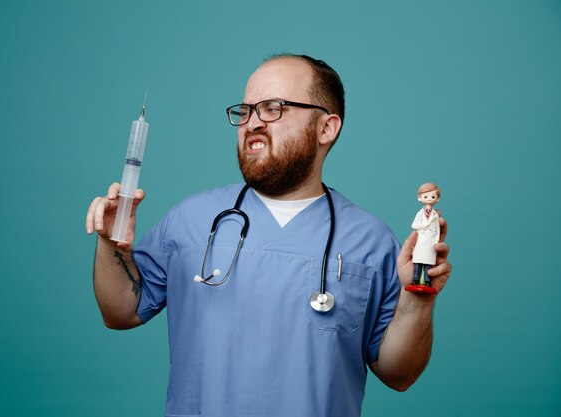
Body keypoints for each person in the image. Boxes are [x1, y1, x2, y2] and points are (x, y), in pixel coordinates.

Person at [86, 54, 452, 417]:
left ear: (327, 128)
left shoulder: (370, 242)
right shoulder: (190, 221)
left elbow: (399, 374)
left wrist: (418, 301)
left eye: (273, 108)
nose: (252, 123)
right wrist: (109, 243)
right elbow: (120, 312)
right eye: (245, 112)